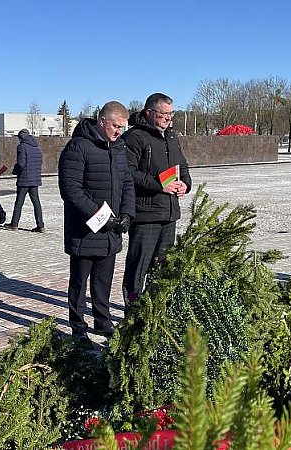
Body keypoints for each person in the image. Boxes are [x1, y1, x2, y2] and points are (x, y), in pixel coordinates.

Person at [58, 101, 135, 346]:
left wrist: (126, 214)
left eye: (122, 127)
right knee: (79, 281)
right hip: (85, 230)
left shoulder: (119, 147)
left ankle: (102, 321)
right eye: (115, 126)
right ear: (102, 121)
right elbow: (71, 190)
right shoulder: (78, 147)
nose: (119, 132)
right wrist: (101, 217)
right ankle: (78, 326)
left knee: (104, 279)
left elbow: (127, 183)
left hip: (111, 231)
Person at [121, 93, 192, 304]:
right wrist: (159, 185)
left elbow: (183, 166)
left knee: (161, 268)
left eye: (171, 114)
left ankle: (155, 311)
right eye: (164, 114)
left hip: (169, 213)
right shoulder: (135, 137)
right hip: (146, 215)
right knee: (138, 268)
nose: (169, 118)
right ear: (150, 113)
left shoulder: (171, 136)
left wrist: (185, 184)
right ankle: (132, 313)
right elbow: (128, 172)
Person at [4, 129, 45, 232]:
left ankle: (14, 224)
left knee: (19, 202)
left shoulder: (22, 147)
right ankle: (40, 225)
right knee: (36, 202)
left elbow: (21, 164)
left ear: (21, 138)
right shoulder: (36, 147)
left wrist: (15, 171)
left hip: (24, 179)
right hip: (35, 179)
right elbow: (40, 161)